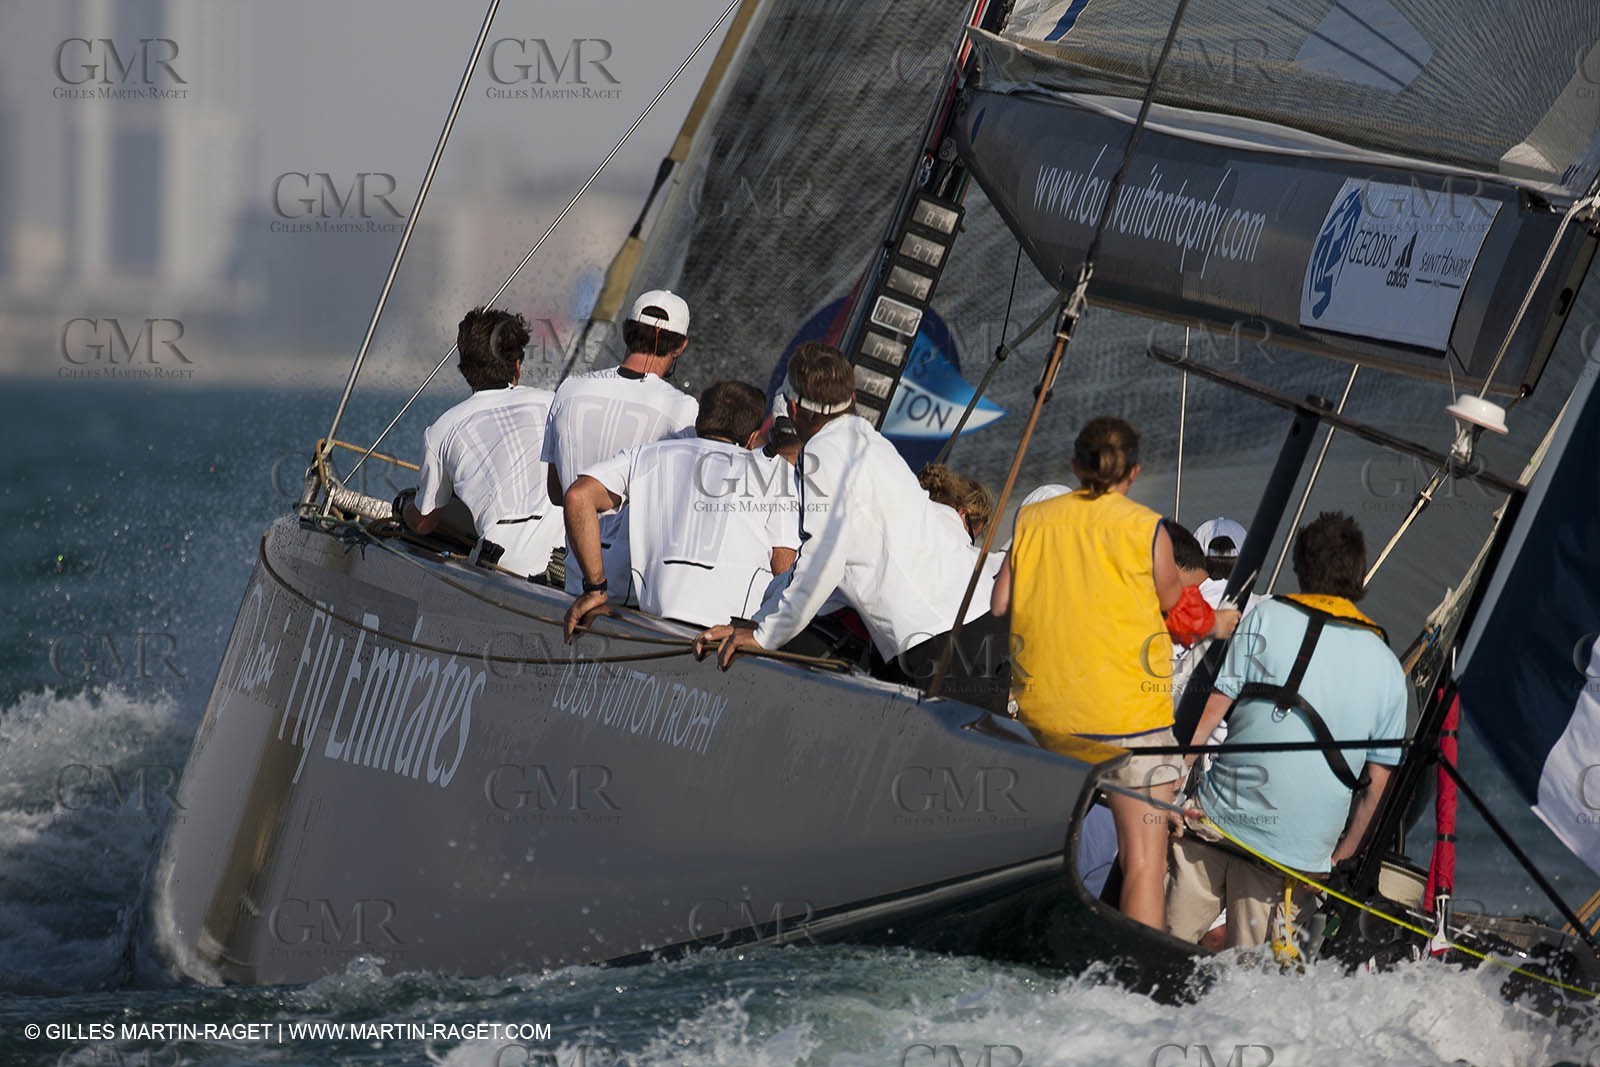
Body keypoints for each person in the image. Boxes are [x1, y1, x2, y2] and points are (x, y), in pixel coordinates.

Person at [694, 343, 1007, 710]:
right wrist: (758, 623)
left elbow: (822, 562)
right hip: (981, 622)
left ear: (793, 409)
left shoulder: (821, 456)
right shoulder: (871, 441)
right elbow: (827, 566)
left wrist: (764, 635)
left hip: (938, 642)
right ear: (852, 398)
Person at [1167, 512, 1407, 951]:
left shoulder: (1266, 616)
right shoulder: (1390, 669)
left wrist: (1171, 788)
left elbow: (1208, 715)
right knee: (1252, 992)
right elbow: (1377, 789)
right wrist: (1338, 860)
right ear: (1359, 576)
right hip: (1295, 861)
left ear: (1300, 567)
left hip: (1216, 822)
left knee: (1159, 949)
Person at [989, 416, 1192, 931]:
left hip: (1045, 722)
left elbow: (1000, 604)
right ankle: (1134, 984)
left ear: (1076, 465)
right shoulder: (1147, 528)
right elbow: (1171, 600)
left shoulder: (1033, 522)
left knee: (1034, 850)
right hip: (1128, 722)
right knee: (1144, 862)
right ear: (1134, 472)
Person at [562, 381, 799, 632]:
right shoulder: (775, 473)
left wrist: (595, 588)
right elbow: (782, 569)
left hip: (651, 623)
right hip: (728, 636)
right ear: (752, 438)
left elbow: (578, 497)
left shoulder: (647, 455)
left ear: (699, 423)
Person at [542, 289, 699, 599]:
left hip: (576, 576)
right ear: (681, 346)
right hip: (636, 589)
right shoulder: (685, 410)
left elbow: (558, 492)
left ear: (626, 333)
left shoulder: (570, 390)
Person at [400, 307, 562, 577]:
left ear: (464, 367)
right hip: (568, 567)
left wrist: (403, 506)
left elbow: (423, 523)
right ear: (518, 366)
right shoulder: (556, 404)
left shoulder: (441, 430)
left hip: (503, 567)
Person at [919, 463, 994, 544]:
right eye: (970, 538)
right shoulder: (939, 539)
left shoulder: (921, 507)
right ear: (962, 514)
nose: (969, 544)